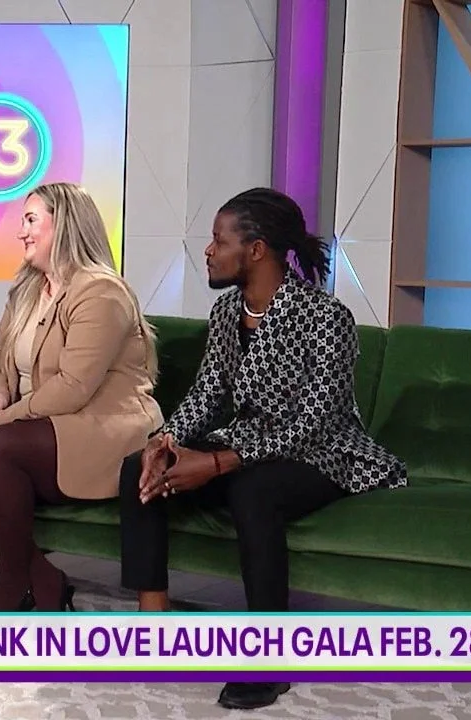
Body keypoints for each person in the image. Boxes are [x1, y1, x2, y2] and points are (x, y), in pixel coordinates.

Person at [118, 187, 408, 710]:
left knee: (253, 491)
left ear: (255, 249)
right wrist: (167, 441)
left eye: (217, 240)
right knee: (137, 467)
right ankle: (153, 623)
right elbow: (208, 394)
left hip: (325, 453)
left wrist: (218, 462)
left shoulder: (326, 317)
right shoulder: (228, 312)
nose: (207, 251)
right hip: (250, 442)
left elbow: (316, 419)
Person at [0, 182, 164, 612]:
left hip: (104, 428)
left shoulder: (100, 292)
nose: (21, 232)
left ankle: (11, 589)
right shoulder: (28, 289)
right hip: (40, 425)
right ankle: (43, 579)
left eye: (31, 220)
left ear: (65, 225)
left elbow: (74, 388)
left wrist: (3, 422)